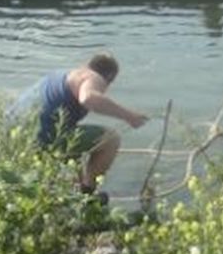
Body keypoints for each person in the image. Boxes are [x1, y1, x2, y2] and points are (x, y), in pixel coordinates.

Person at [8, 52, 148, 199]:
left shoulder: (64, 75)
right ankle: (88, 194)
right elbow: (88, 98)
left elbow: (71, 139)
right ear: (109, 77)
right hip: (40, 140)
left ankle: (76, 187)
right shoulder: (93, 77)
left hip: (14, 137)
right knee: (111, 139)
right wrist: (129, 116)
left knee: (77, 144)